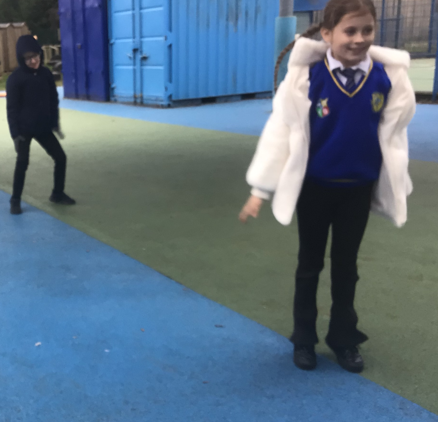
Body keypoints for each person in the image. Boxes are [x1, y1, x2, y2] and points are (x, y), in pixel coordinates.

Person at [239, 0, 416, 373]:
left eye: (367, 30)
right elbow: (280, 132)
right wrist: (260, 189)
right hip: (315, 189)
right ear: (327, 34)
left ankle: (344, 338)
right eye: (349, 31)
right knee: (310, 264)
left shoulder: (387, 78)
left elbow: (395, 135)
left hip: (358, 189)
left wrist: (397, 181)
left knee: (346, 267)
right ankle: (304, 338)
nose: (359, 39)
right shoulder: (307, 77)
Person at [6, 35, 75, 215]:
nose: (33, 61)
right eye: (28, 58)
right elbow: (12, 109)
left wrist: (55, 123)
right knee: (22, 163)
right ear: (21, 59)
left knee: (60, 157)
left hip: (43, 127)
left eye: (35, 56)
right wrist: (15, 135)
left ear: (40, 54)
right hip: (24, 130)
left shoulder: (46, 74)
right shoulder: (15, 79)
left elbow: (53, 100)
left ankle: (57, 194)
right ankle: (15, 199)